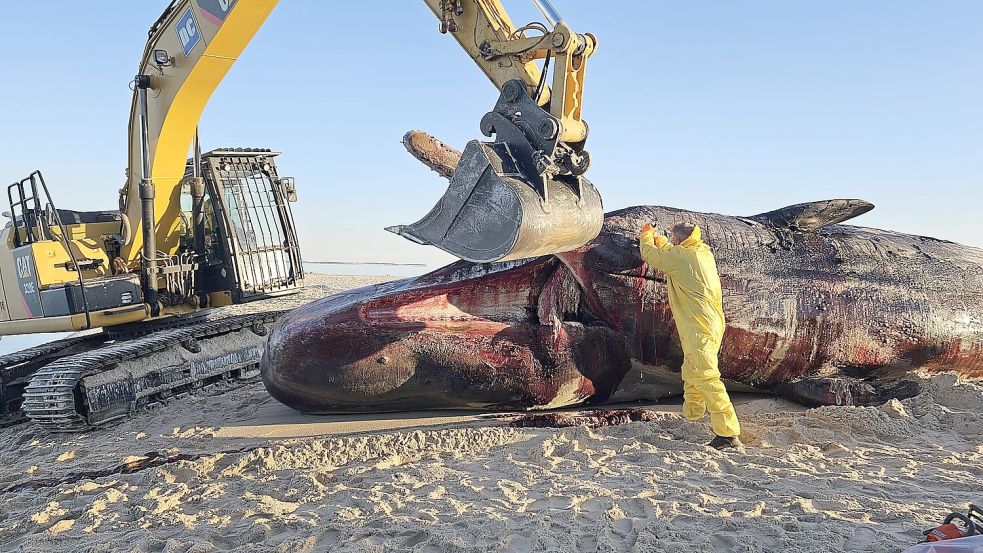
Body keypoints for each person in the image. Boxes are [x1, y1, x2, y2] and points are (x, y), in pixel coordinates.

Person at [638, 221, 742, 450]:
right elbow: (671, 253)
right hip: (710, 323)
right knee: (692, 370)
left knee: (706, 377)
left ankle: (728, 433)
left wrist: (646, 236)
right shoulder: (701, 252)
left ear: (678, 239)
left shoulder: (682, 257)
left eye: (672, 238)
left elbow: (651, 256)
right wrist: (660, 240)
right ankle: (693, 417)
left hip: (698, 326)